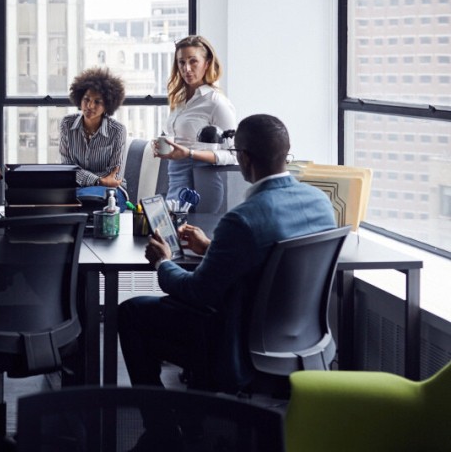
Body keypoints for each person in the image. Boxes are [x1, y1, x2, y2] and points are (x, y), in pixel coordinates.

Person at [118, 114, 336, 401]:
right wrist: (212, 248)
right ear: (285, 154)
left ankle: (161, 432)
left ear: (243, 158)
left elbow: (197, 293)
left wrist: (164, 261)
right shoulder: (321, 202)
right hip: (304, 338)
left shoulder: (242, 219)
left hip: (238, 344)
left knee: (131, 312)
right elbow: (269, 260)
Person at [156, 34, 238, 200]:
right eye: (181, 62)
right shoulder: (179, 101)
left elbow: (233, 155)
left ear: (206, 64)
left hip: (202, 185)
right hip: (175, 180)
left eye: (193, 61)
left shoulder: (216, 103)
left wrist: (190, 153)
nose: (186, 68)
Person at [58, 67, 127, 196]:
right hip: (75, 189)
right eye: (86, 99)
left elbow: (114, 175)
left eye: (97, 102)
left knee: (88, 200)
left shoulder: (117, 131)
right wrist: (98, 180)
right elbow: (67, 168)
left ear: (107, 105)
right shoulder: (67, 124)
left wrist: (82, 177)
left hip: (111, 192)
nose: (90, 106)